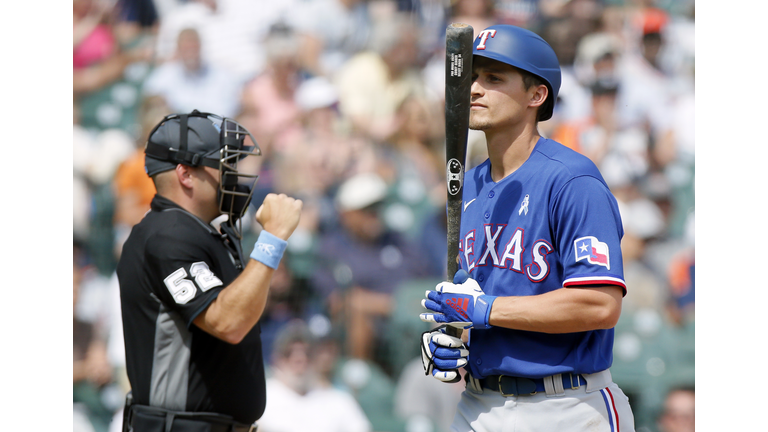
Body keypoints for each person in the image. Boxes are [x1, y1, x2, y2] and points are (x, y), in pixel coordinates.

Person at [418, 25, 635, 432]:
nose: (475, 90)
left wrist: (486, 312)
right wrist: (451, 339)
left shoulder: (572, 180)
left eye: (494, 78)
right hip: (478, 404)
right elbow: (480, 302)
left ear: (537, 95)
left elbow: (600, 305)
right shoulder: (469, 185)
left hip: (568, 404)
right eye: (473, 77)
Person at [116, 110, 303, 431]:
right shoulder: (167, 234)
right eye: (224, 165)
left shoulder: (203, 231)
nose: (234, 174)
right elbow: (227, 322)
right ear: (185, 174)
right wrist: (272, 239)